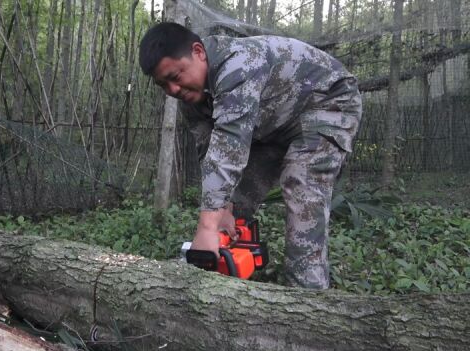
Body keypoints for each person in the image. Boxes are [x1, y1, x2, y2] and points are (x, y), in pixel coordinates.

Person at [139, 22, 362, 289]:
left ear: (198, 52)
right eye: (163, 85)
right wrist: (224, 211)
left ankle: (308, 299)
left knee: (300, 183)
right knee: (235, 202)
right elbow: (210, 154)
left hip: (327, 102)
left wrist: (207, 228)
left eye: (175, 77)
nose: (172, 91)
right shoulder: (191, 97)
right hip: (273, 123)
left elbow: (230, 144)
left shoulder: (237, 63)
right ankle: (228, 283)